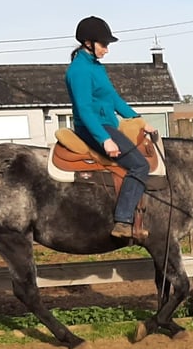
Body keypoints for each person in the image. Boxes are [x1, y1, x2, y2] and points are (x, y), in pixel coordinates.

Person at [65, 16, 157, 240]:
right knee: (139, 166)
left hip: (107, 123)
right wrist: (105, 139)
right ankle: (123, 220)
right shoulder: (79, 71)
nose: (107, 49)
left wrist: (138, 119)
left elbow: (113, 99)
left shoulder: (96, 67)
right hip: (93, 127)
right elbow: (85, 110)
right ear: (88, 43)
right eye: (104, 44)